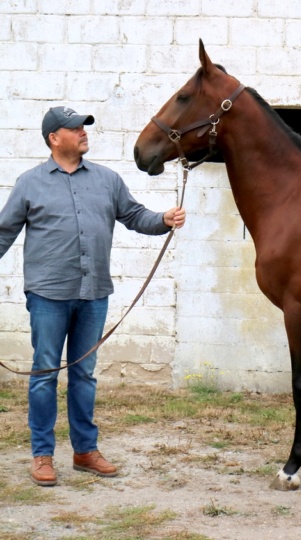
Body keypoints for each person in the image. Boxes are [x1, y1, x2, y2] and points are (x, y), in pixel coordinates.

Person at [0, 106, 186, 487]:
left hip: (94, 294)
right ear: (54, 138)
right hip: (48, 295)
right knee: (44, 373)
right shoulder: (29, 183)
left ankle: (85, 451)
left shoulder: (107, 180)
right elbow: (4, 233)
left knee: (84, 373)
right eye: (74, 128)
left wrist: (163, 219)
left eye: (84, 127)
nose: (83, 133)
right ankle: (42, 455)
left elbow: (134, 216)